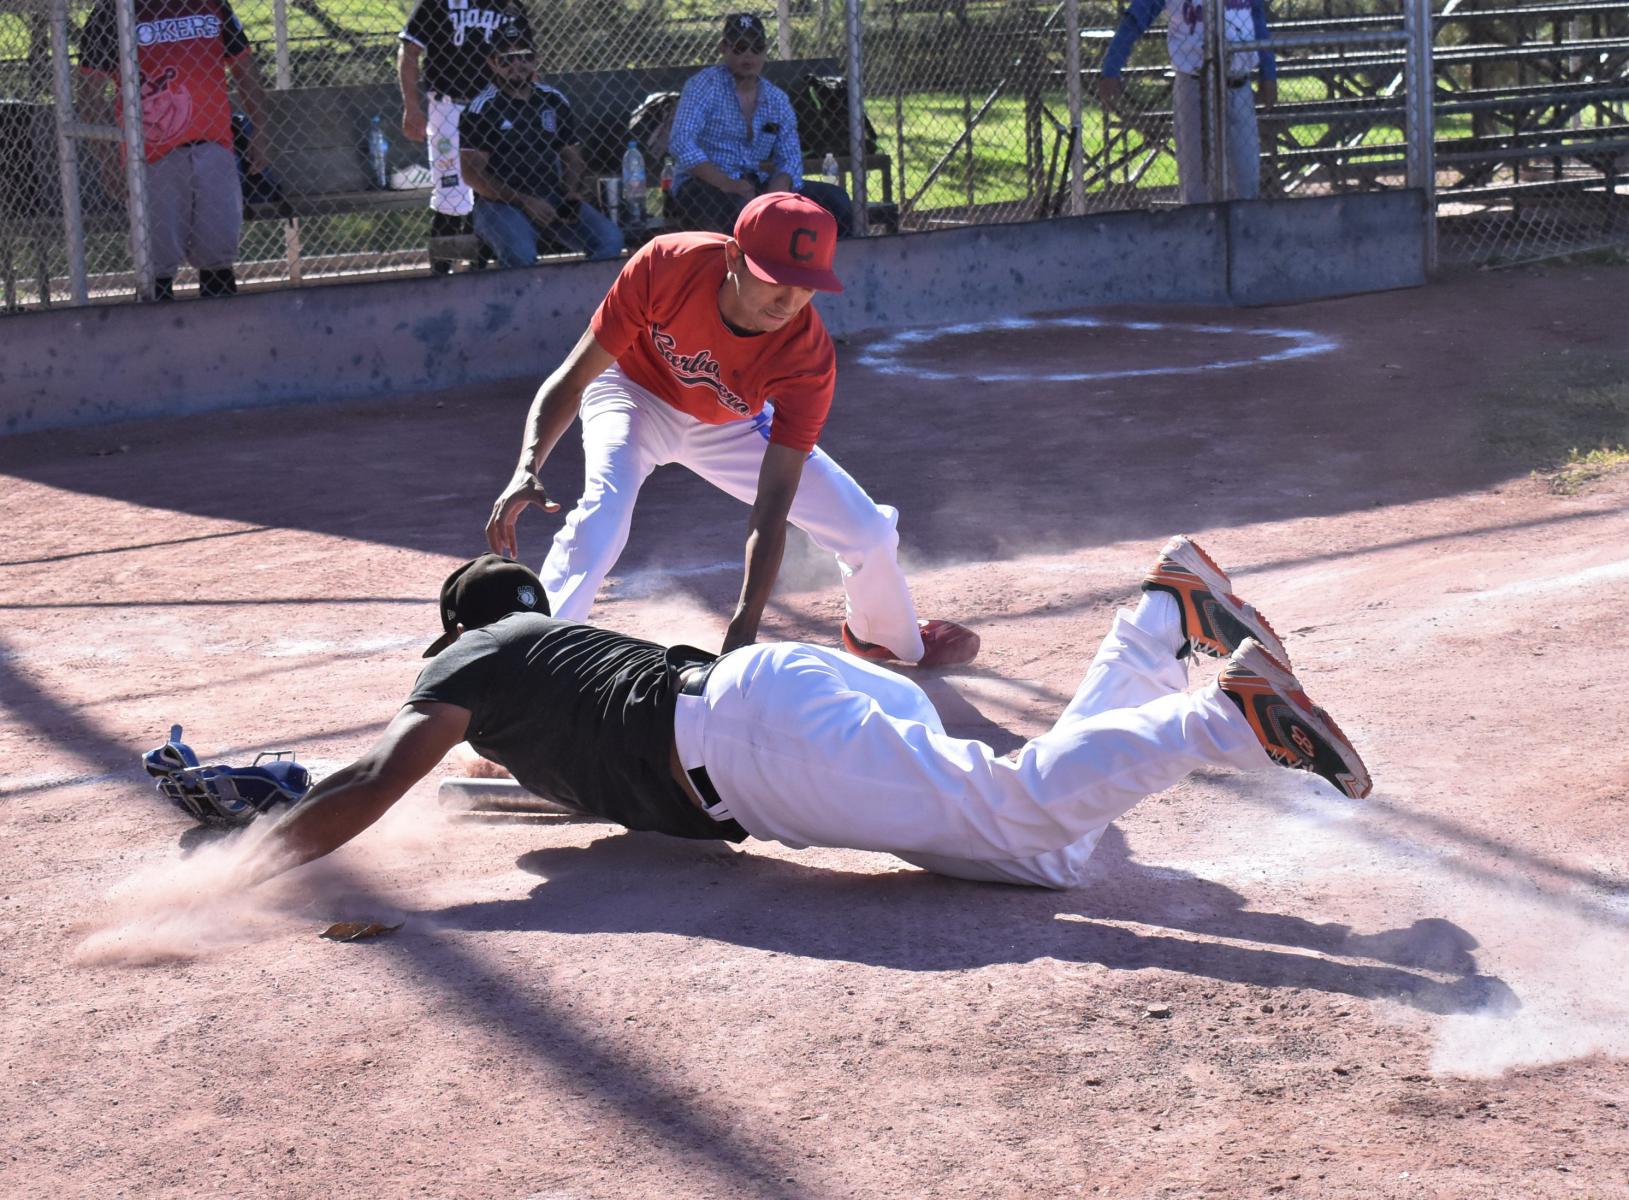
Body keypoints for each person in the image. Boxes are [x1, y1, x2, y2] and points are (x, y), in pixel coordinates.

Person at [240, 539, 1372, 892]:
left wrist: (241, 865)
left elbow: (374, 783)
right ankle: (1157, 622)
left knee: (1023, 813)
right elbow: (518, 780)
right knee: (1048, 850)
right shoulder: (548, 663)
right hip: (767, 704)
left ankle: (1228, 718)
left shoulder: (478, 658)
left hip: (757, 752)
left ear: (456, 635)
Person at [484, 190, 976, 667]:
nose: (789, 300)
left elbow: (773, 501)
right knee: (604, 515)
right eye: (775, 279)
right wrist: (526, 466)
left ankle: (882, 636)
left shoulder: (807, 355)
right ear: (735, 256)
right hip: (632, 393)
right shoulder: (667, 263)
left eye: (807, 285)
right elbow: (573, 377)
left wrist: (744, 625)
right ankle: (525, 656)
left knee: (866, 531)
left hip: (729, 422)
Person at [76, 0, 270, 300]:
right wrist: (108, 160)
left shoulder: (211, 3)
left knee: (218, 256)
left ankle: (223, 333)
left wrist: (259, 130)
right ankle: (156, 337)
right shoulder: (112, 11)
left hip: (215, 146)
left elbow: (244, 68)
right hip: (150, 156)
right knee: (156, 264)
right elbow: (89, 93)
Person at [667, 13, 853, 237]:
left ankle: (829, 269)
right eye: (739, 47)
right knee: (734, 211)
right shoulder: (703, 86)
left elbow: (791, 157)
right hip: (704, 184)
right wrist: (726, 182)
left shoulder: (776, 99)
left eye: (756, 47)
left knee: (836, 201)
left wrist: (778, 191)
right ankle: (739, 270)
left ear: (765, 51)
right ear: (723, 48)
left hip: (755, 185)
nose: (748, 55)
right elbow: (680, 142)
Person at [459, 28, 623, 266]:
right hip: (500, 204)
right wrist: (524, 201)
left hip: (553, 198)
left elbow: (572, 157)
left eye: (525, 56)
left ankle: (586, 300)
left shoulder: (553, 100)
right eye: (506, 58)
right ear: (492, 64)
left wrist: (569, 193)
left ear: (536, 60)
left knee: (610, 240)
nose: (517, 64)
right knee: (520, 254)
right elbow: (472, 174)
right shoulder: (481, 108)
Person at [1096, 0, 1278, 204]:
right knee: (1197, 183)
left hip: (1239, 84)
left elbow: (1257, 18)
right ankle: (1199, 232)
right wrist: (1111, 68)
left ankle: (1242, 232)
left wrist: (1268, 73)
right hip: (1194, 85)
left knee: (1245, 180)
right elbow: (1136, 18)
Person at [398, 0, 534, 259]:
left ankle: (479, 267)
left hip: (495, 109)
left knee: (488, 187)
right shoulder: (438, 3)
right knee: (450, 194)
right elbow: (410, 51)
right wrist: (412, 107)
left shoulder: (510, 5)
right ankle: (442, 271)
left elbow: (527, 62)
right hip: (449, 105)